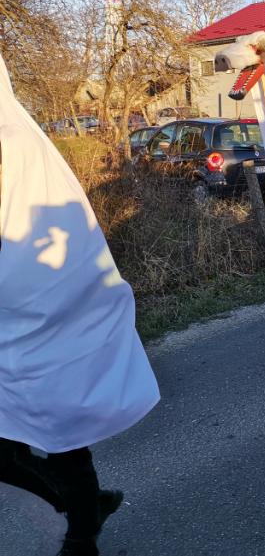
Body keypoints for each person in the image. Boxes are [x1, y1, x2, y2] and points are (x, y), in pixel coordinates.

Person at [0, 53, 160, 556]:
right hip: (12, 321)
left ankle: (83, 533)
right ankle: (84, 505)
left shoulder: (18, 143)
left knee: (63, 430)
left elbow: (46, 234)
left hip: (49, 315)